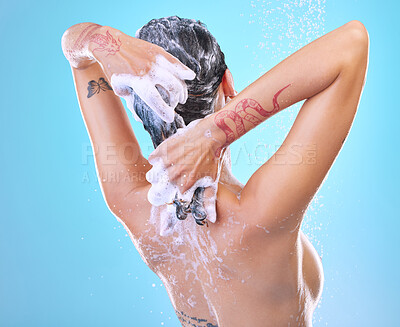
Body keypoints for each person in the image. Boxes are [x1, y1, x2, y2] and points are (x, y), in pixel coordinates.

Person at [61, 16, 369, 327]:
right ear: (228, 83)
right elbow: (351, 45)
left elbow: (80, 60)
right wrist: (216, 132)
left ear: (137, 106)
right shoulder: (261, 214)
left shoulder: (133, 203)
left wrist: (104, 41)